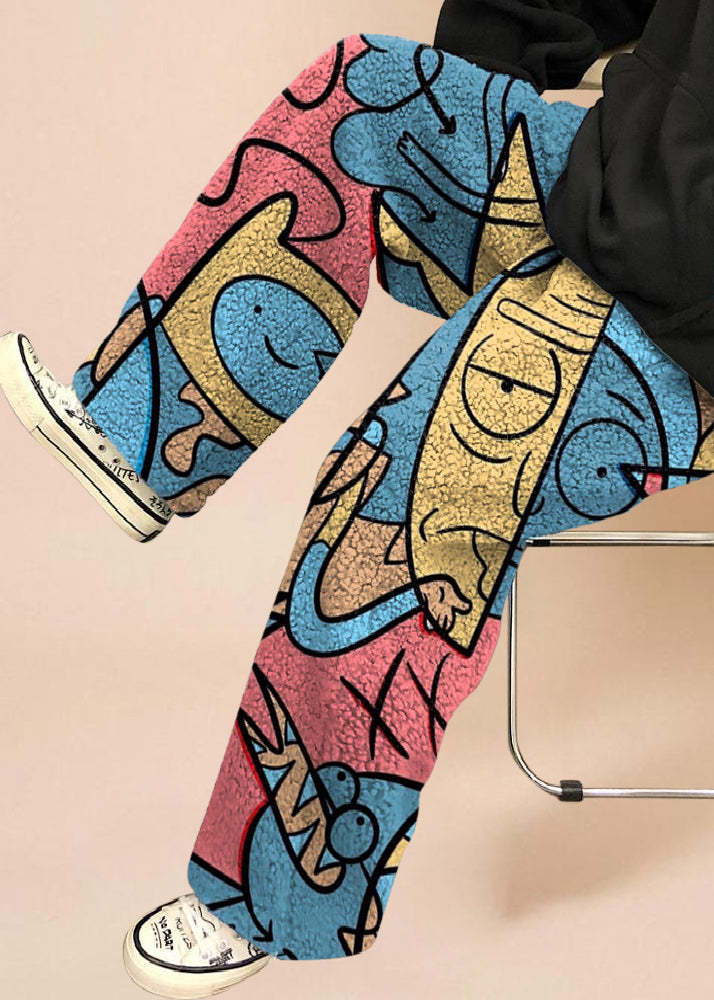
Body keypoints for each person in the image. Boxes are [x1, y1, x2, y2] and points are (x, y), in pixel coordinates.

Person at [2, 1, 711, 996]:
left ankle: (275, 893)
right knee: (362, 92)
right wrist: (489, 84)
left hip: (690, 317)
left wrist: (609, 262)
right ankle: (142, 429)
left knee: (417, 471)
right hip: (623, 186)